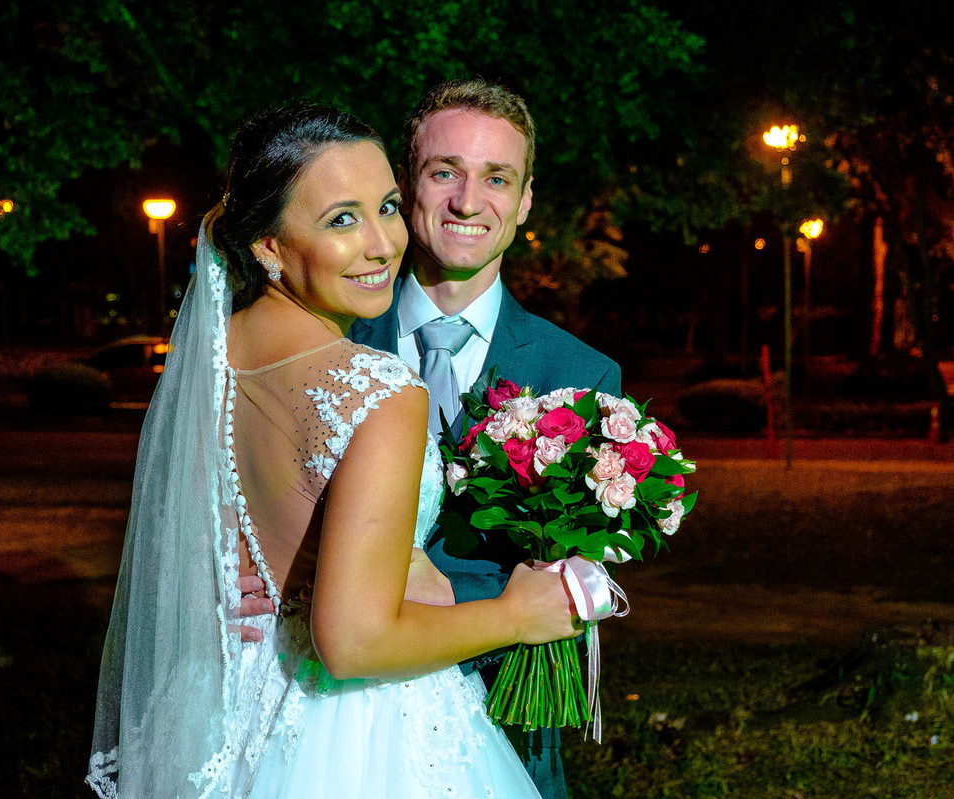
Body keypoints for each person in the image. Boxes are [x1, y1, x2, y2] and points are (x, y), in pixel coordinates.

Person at [85, 104, 582, 799]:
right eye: (342, 219)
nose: (382, 244)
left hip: (234, 709)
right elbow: (352, 643)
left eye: (385, 208)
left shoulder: (211, 354)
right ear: (267, 246)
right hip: (365, 738)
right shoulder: (381, 389)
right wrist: (516, 616)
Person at [350, 78, 623, 798]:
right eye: (445, 172)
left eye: (496, 178)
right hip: (340, 720)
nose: (468, 203)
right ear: (405, 184)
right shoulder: (331, 343)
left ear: (525, 200)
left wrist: (434, 589)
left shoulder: (583, 377)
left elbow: (574, 583)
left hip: (499, 733)